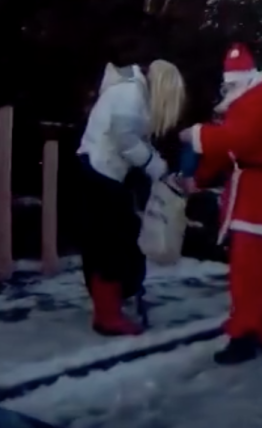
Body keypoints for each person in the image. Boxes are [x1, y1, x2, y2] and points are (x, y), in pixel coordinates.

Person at [179, 43, 262, 365]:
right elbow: (230, 145)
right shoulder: (254, 96)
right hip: (252, 188)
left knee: (246, 269)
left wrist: (196, 135)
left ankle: (244, 334)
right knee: (256, 268)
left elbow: (234, 140)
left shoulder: (261, 99)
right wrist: (197, 178)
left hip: (255, 191)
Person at [76, 60, 186, 336]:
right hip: (102, 171)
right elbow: (125, 138)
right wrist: (156, 167)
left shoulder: (130, 91)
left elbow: (135, 139)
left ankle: (107, 305)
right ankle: (107, 317)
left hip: (96, 169)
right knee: (115, 243)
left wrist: (157, 167)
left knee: (104, 242)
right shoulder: (131, 93)